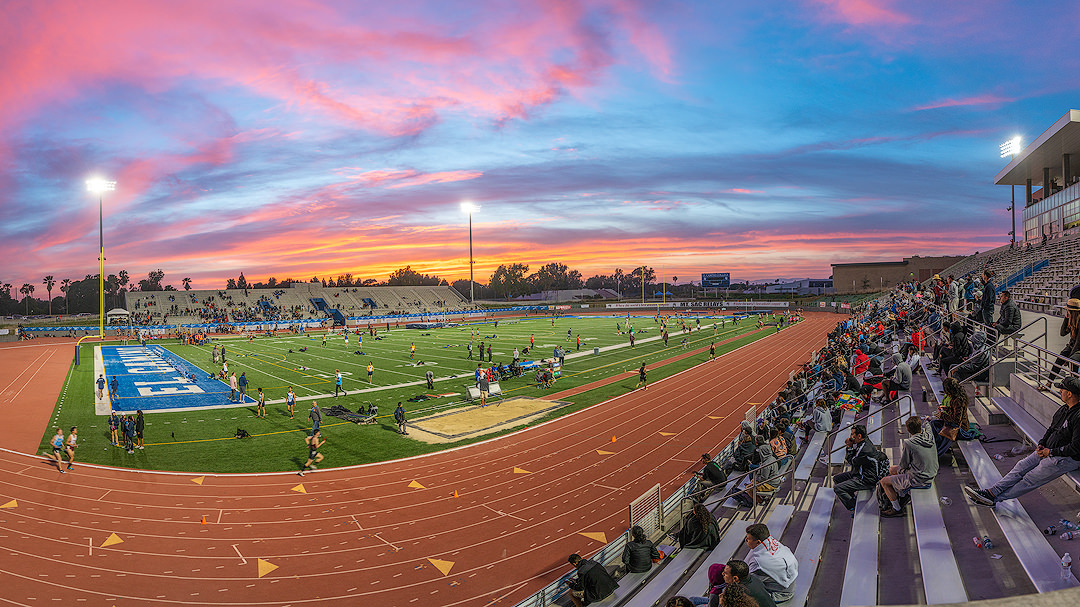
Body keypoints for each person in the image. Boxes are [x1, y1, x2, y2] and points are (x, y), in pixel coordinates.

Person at [965, 375, 1080, 508]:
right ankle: (991, 492)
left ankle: (995, 498)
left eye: (1062, 389)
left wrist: (1051, 452)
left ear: (1070, 394)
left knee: (1029, 479)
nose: (1059, 391)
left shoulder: (1078, 416)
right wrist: (1042, 444)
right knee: (1021, 466)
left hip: (1065, 458)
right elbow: (1051, 429)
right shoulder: (1064, 408)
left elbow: (1076, 447)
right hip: (1048, 450)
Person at [879, 416, 939, 517]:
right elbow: (928, 427)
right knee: (892, 469)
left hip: (919, 478)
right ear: (920, 428)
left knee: (884, 481)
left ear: (907, 430)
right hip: (931, 473)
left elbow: (904, 464)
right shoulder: (929, 436)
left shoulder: (909, 443)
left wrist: (901, 471)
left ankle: (896, 509)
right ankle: (901, 495)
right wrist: (926, 421)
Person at [831, 424, 884, 511]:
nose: (851, 437)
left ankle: (854, 507)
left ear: (859, 436)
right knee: (837, 478)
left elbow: (852, 462)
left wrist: (849, 448)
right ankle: (853, 498)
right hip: (860, 473)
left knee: (838, 488)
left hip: (866, 479)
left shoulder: (864, 449)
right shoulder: (864, 442)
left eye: (852, 435)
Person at [744, 523, 797, 603]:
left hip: (779, 594)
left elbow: (750, 584)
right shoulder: (772, 543)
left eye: (748, 538)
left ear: (758, 542)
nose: (746, 540)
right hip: (787, 585)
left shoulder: (759, 564)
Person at [931, 376, 969, 456]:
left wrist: (942, 415)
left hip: (960, 428)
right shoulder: (955, 398)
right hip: (955, 423)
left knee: (944, 431)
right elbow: (954, 411)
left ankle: (938, 453)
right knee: (933, 423)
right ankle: (935, 447)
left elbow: (956, 419)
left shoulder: (958, 400)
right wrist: (947, 409)